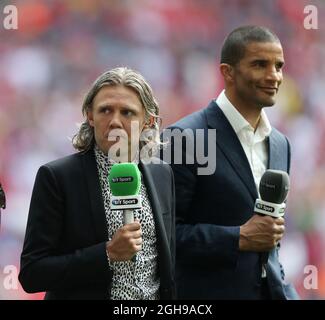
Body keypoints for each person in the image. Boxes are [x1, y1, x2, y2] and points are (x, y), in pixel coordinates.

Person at [162, 26, 299, 299]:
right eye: (260, 64)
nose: (274, 75)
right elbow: (163, 237)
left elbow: (269, 246)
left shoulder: (281, 144)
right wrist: (237, 237)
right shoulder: (186, 138)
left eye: (279, 66)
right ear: (227, 72)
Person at [19, 67, 175, 300]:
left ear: (147, 121)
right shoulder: (57, 177)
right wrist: (107, 253)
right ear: (90, 116)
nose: (114, 121)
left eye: (127, 112)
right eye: (105, 110)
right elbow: (32, 273)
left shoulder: (162, 174)